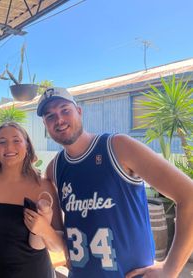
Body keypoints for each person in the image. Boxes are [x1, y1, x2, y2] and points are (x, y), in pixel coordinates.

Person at [36, 87, 193, 277]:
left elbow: (188, 195)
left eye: (64, 110)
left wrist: (170, 269)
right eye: (50, 116)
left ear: (79, 111)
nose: (59, 120)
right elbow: (59, 237)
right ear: (45, 124)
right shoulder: (55, 169)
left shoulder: (118, 147)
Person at [0, 122, 65, 278]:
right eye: (2, 142)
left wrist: (44, 229)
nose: (9, 147)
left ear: (27, 145)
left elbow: (58, 246)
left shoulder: (44, 186)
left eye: (16, 140)